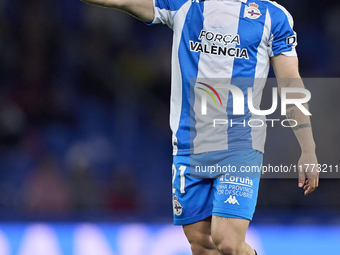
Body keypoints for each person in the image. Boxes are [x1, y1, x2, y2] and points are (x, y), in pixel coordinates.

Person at [80, 0, 319, 254]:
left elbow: (291, 84)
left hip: (239, 144)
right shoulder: (185, 4)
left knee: (227, 240)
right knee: (202, 244)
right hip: (188, 143)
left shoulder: (272, 15)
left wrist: (308, 148)